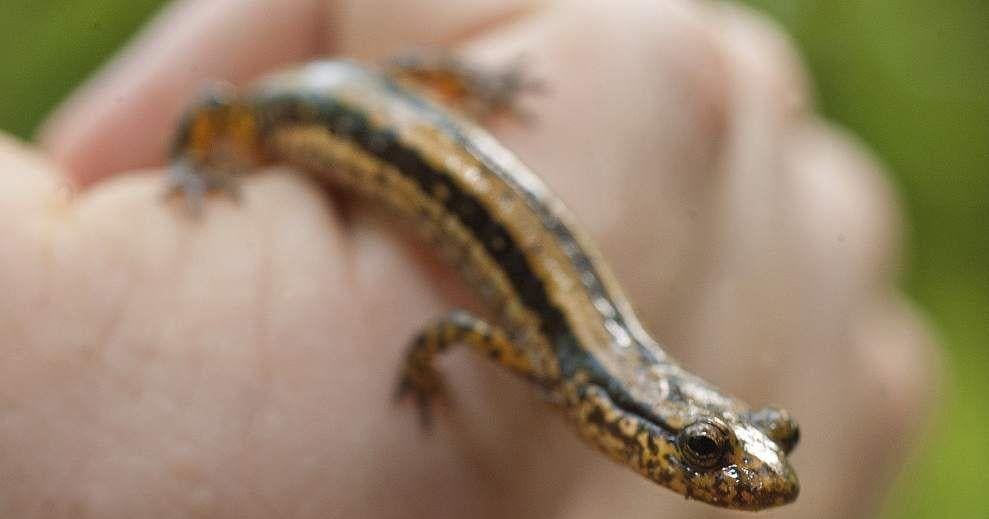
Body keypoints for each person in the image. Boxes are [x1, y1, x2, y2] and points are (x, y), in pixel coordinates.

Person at [0, 0, 937, 516]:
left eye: (741, 444)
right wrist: (198, 169)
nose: (747, 476)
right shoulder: (563, 367)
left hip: (381, 108)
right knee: (220, 106)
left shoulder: (581, 365)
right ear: (639, 426)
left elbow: (457, 327)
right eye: (705, 451)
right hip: (318, 113)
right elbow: (442, 330)